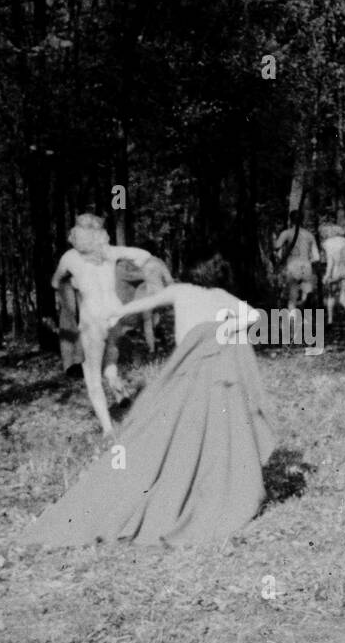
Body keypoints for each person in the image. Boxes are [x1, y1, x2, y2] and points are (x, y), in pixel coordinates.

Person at [16, 282, 276, 549]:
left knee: (166, 433)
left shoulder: (181, 290)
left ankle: (172, 490)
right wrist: (226, 328)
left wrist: (118, 312)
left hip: (191, 371)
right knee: (206, 434)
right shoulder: (222, 295)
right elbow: (254, 315)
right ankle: (202, 489)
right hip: (213, 372)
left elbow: (148, 302)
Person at [52, 215, 154, 435]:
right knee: (111, 356)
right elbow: (144, 255)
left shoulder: (70, 257)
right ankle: (118, 388)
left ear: (77, 234)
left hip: (93, 319)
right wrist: (130, 272)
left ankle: (108, 430)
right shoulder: (110, 252)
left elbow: (55, 281)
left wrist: (72, 284)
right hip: (115, 315)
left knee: (92, 377)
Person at [273, 210, 319, 330]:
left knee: (292, 296)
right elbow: (317, 257)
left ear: (290, 220)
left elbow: (276, 247)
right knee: (306, 293)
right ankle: (304, 311)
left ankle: (293, 323)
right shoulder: (309, 235)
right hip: (306, 265)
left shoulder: (286, 233)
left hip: (292, 265)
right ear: (302, 220)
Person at [319, 223, 345, 325]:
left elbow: (330, 261)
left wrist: (327, 275)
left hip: (335, 271)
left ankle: (330, 319)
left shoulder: (327, 243)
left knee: (331, 295)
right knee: (343, 296)